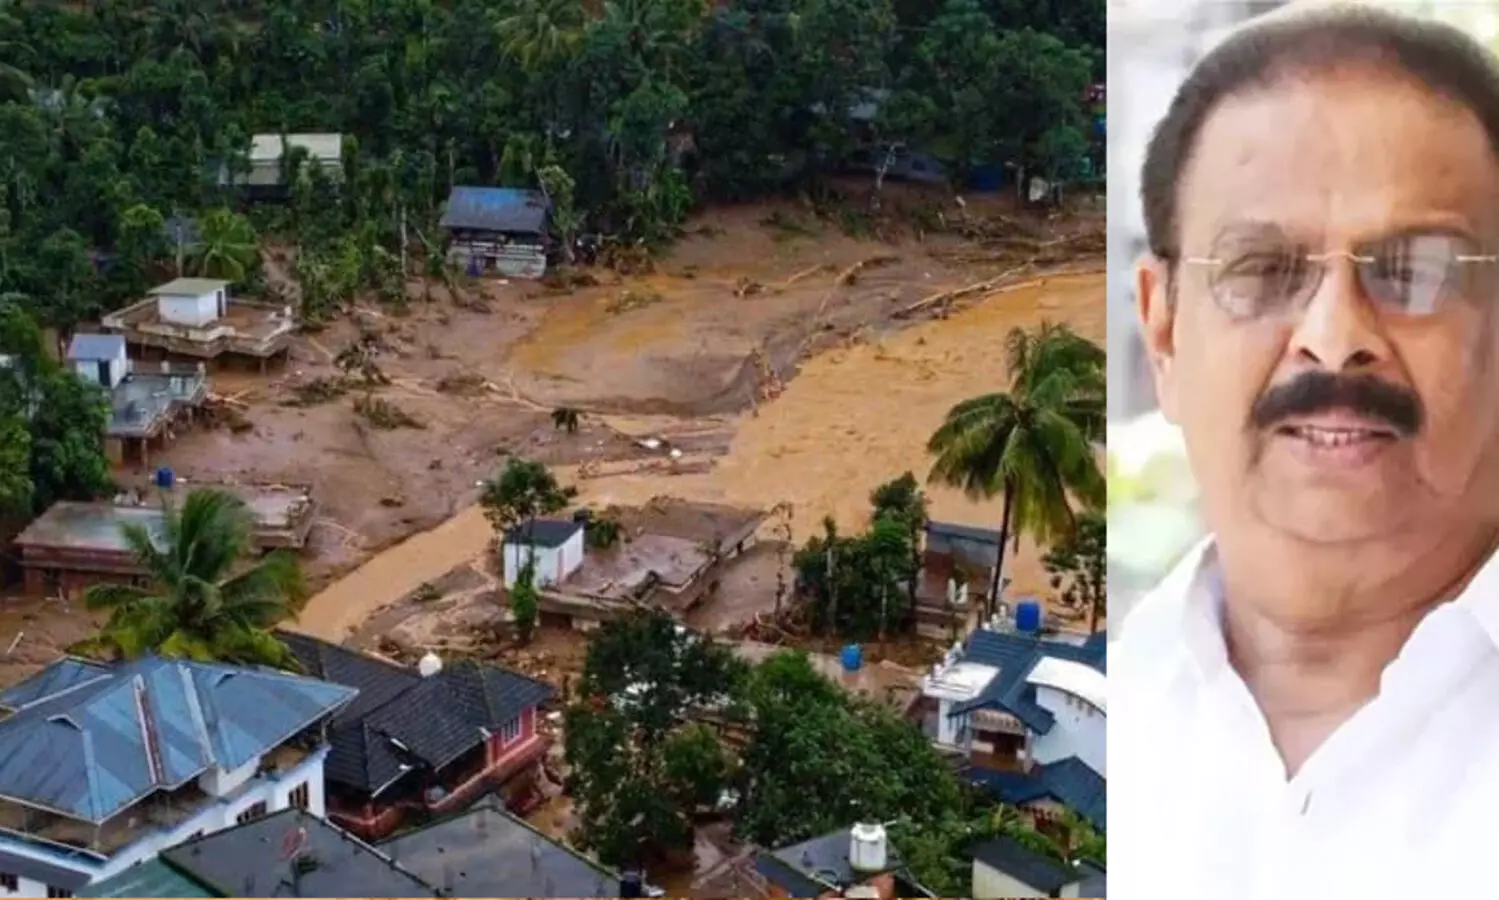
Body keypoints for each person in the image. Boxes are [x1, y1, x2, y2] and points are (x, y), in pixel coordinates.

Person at [1111, 5, 1499, 898]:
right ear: (1163, 332)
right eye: (1261, 272)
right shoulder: (1111, 703)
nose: (1333, 338)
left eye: (1418, 270)